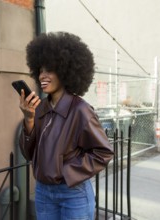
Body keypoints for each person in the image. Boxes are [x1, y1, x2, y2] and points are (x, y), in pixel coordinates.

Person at [18, 32, 114, 220]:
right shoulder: (39, 109)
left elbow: (103, 152)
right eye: (40, 70)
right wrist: (28, 118)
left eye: (50, 70)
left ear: (64, 71)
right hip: (43, 193)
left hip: (73, 193)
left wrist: (66, 171)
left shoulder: (81, 110)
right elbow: (28, 153)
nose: (42, 76)